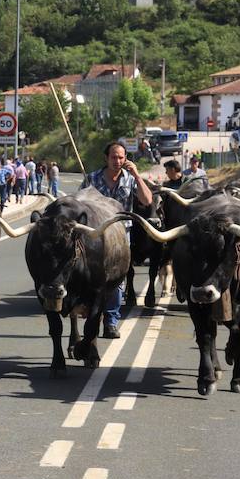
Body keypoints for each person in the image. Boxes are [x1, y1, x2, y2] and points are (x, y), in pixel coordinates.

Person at [81, 141, 154, 339]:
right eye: (114, 157)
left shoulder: (130, 179)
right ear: (106, 158)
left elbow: (147, 201)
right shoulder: (93, 178)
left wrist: (137, 175)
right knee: (91, 278)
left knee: (117, 280)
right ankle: (91, 315)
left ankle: (111, 322)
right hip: (94, 234)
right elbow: (78, 204)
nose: (118, 161)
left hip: (121, 235)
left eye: (121, 157)